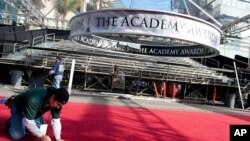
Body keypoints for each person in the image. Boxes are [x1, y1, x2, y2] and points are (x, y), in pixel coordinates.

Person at [1, 87, 69, 141]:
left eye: (60, 105)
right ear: (53, 97)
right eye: (58, 104)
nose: (58, 107)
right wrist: (41, 136)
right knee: (17, 135)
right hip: (19, 108)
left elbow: (56, 121)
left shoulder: (57, 103)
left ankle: (22, 121)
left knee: (40, 130)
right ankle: (10, 122)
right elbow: (29, 122)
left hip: (34, 112)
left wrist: (58, 138)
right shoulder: (34, 99)